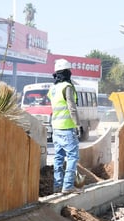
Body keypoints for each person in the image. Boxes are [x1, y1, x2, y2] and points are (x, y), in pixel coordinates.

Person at [47, 59, 84, 195]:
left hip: (56, 128)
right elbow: (72, 108)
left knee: (58, 157)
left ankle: (57, 186)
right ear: (68, 73)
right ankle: (68, 186)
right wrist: (78, 125)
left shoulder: (53, 89)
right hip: (67, 128)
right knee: (73, 156)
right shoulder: (67, 87)